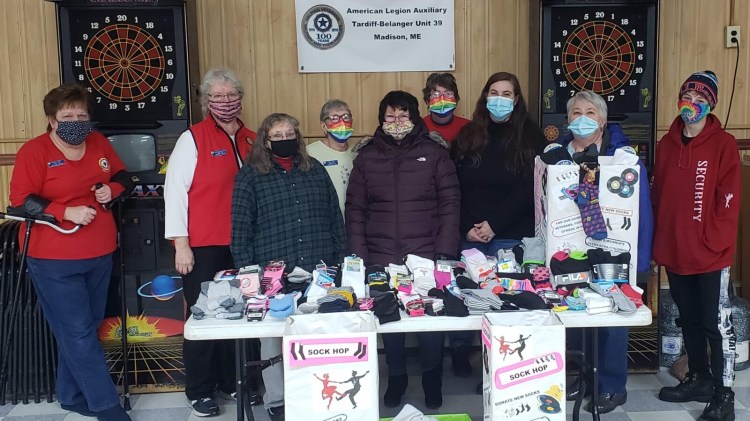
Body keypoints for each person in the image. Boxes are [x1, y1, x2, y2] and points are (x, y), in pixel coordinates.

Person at [9, 83, 133, 421]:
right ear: (52, 120)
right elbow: (20, 202)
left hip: (100, 252)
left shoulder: (98, 142)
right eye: (67, 116)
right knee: (77, 332)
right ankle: (106, 405)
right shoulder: (33, 152)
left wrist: (112, 188)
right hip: (53, 260)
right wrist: (66, 212)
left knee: (86, 327)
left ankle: (70, 394)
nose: (76, 121)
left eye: (81, 115)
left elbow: (124, 176)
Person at [346, 90, 460, 409]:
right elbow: (355, 208)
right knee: (388, 320)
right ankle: (396, 377)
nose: (397, 122)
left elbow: (450, 203)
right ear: (381, 120)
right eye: (390, 116)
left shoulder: (434, 153)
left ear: (414, 118)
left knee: (430, 322)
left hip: (425, 253)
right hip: (381, 255)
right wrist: (358, 256)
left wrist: (445, 252)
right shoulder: (367, 156)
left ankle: (431, 378)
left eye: (403, 115)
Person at [232, 112, 345, 420]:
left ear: (298, 136)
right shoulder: (250, 175)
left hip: (318, 268)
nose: (284, 140)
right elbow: (240, 229)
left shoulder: (315, 170)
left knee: (318, 334)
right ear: (265, 142)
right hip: (272, 273)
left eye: (289, 134)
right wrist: (248, 275)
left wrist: (339, 261)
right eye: (277, 136)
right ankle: (278, 403)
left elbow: (335, 218)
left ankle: (316, 394)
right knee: (272, 340)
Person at [547, 90, 653, 414]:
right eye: (576, 112)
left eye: (590, 112)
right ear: (567, 120)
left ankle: (611, 386)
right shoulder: (555, 157)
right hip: (570, 247)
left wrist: (643, 259)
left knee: (612, 314)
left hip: (613, 247)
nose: (582, 118)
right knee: (577, 311)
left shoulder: (624, 159)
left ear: (603, 120)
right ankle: (584, 375)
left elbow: (642, 210)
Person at [164, 68, 255, 417]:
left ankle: (231, 380)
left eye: (231, 96)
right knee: (203, 319)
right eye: (216, 96)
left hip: (242, 246)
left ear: (241, 98)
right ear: (205, 101)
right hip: (202, 246)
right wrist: (181, 245)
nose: (225, 102)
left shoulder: (251, 137)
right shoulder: (193, 138)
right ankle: (199, 389)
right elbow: (175, 195)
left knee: (240, 316)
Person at [653, 71, 740, 421]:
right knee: (687, 318)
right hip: (675, 251)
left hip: (710, 255)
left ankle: (724, 394)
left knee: (715, 325)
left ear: (712, 103)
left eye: (702, 96)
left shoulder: (724, 144)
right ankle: (699, 378)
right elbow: (659, 198)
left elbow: (728, 199)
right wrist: (659, 245)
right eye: (688, 93)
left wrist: (713, 242)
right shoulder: (666, 144)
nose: (693, 101)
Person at [450, 72, 547, 378]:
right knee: (467, 298)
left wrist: (494, 224)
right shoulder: (467, 136)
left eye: (507, 94)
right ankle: (461, 358)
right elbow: (453, 185)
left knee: (505, 303)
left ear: (516, 100)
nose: (500, 99)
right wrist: (467, 226)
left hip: (511, 235)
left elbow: (529, 190)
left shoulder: (532, 136)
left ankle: (505, 368)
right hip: (471, 236)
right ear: (485, 96)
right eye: (494, 92)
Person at [307, 99, 357, 215]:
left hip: (354, 218)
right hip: (325, 218)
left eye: (346, 117)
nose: (342, 122)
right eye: (334, 118)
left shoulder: (358, 152)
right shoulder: (310, 153)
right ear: (323, 126)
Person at [421, 72, 470, 143]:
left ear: (456, 100)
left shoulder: (468, 127)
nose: (442, 99)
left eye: (448, 93)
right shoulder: (419, 127)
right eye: (436, 94)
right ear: (427, 101)